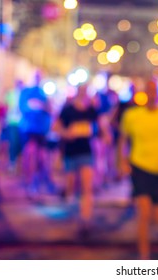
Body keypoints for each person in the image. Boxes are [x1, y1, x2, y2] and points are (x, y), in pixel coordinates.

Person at [119, 79, 158, 259]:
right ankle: (144, 256)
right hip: (139, 167)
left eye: (154, 90)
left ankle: (149, 244)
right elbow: (123, 140)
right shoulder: (132, 115)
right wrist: (122, 162)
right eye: (149, 90)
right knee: (144, 212)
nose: (152, 94)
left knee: (157, 217)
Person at [53, 83, 111, 236]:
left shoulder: (91, 110)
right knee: (71, 185)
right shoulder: (67, 110)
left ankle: (85, 219)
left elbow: (102, 127)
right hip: (70, 152)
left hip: (86, 151)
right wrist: (67, 133)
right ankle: (73, 209)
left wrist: (105, 136)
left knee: (87, 187)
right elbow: (55, 127)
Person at [18, 71, 53, 198]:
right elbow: (22, 108)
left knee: (41, 157)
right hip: (29, 129)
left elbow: (49, 110)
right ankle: (30, 182)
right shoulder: (27, 92)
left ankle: (37, 181)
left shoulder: (44, 94)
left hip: (41, 130)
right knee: (30, 154)